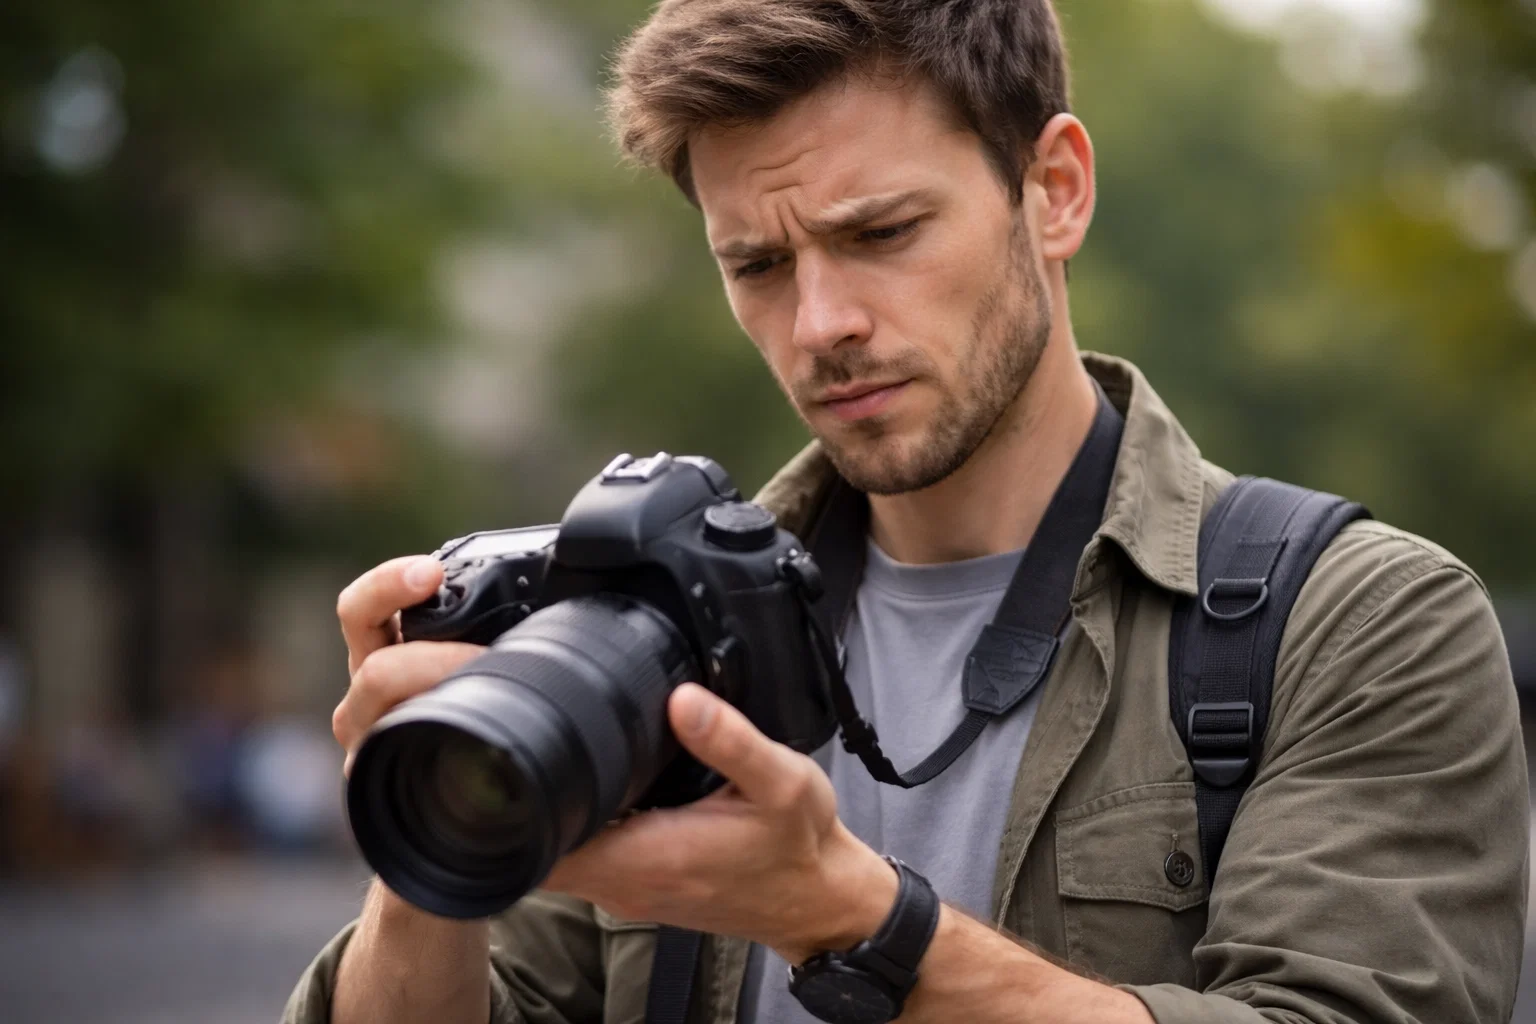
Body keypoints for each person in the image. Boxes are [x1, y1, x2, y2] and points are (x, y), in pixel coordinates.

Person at [283, 2, 1528, 1022]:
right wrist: (431, 837)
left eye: (880, 231)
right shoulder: (645, 630)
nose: (820, 323)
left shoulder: (1360, 621)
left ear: (1054, 190)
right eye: (757, 266)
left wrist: (854, 919)